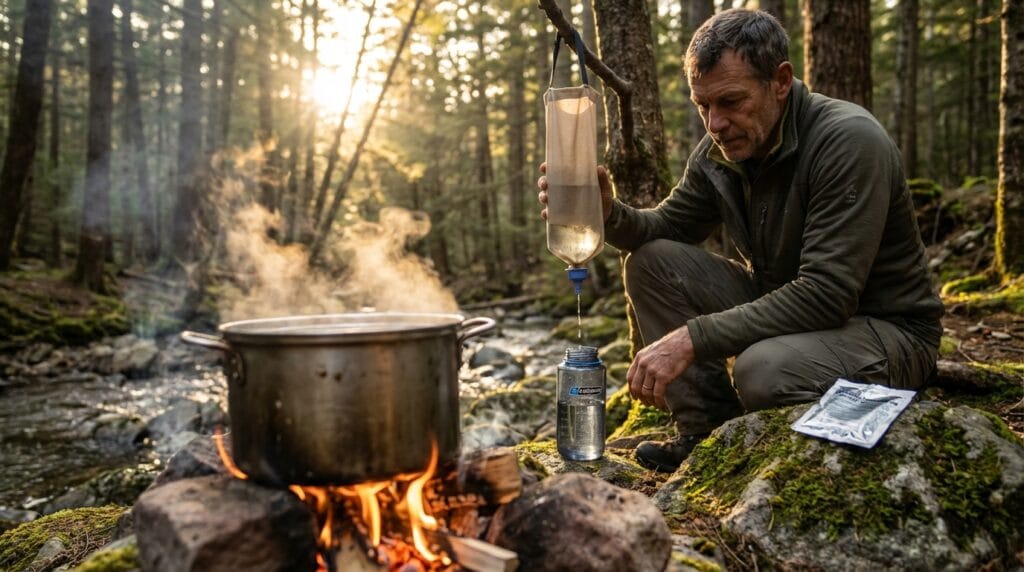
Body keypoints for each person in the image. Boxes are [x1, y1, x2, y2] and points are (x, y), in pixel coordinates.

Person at [537, 8, 944, 472]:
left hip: (885, 330)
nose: (714, 123)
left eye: (730, 101)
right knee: (650, 263)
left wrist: (690, 339)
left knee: (761, 371)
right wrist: (607, 214)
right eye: (702, 105)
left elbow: (828, 294)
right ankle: (705, 432)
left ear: (781, 80)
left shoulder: (847, 140)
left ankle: (877, 404)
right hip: (793, 313)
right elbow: (664, 231)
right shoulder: (722, 151)